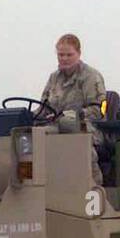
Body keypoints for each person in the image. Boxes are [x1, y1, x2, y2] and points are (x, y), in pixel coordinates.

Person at [41, 33, 106, 186]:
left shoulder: (91, 76)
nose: (64, 58)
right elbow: (43, 107)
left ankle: (95, 187)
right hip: (55, 126)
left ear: (78, 54)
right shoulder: (54, 78)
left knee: (78, 138)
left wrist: (72, 116)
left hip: (87, 126)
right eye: (60, 55)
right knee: (32, 135)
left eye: (69, 55)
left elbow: (100, 110)